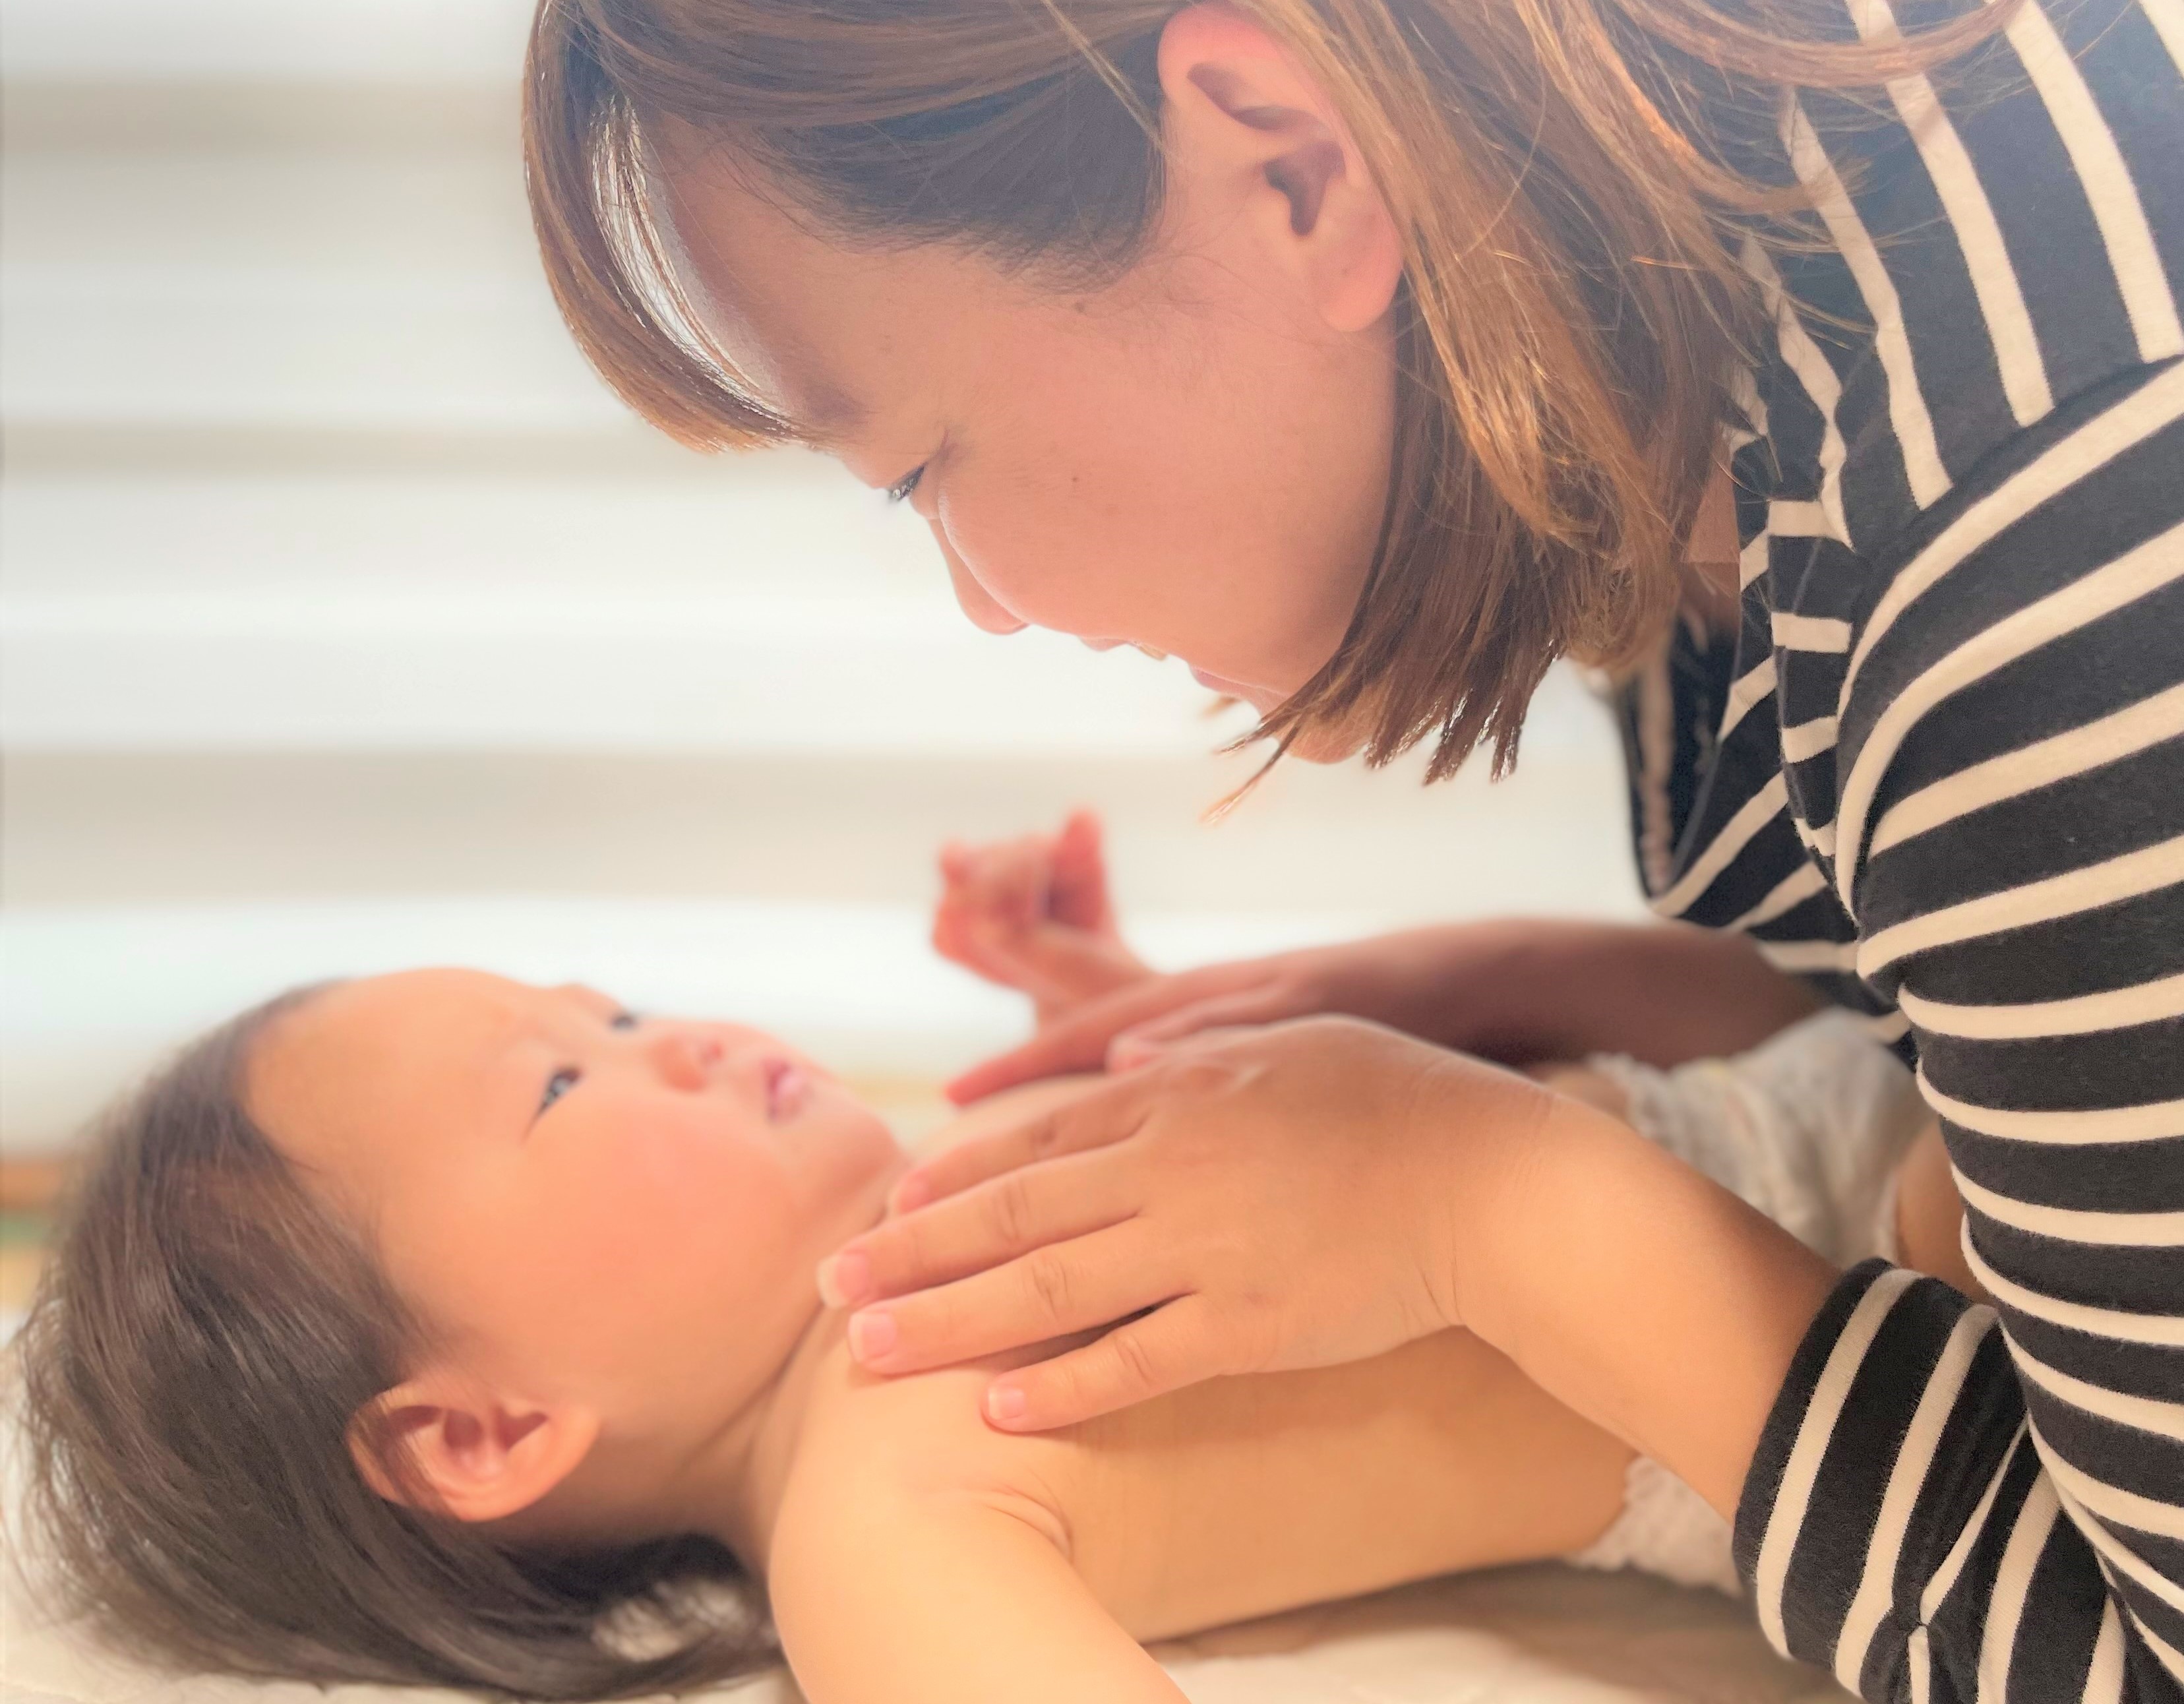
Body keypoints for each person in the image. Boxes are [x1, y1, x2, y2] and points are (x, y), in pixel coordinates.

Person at [523, 0, 2184, 1697]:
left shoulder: (2050, 566)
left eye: (922, 468)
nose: (985, 602)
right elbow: (1991, 977)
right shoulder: (1710, 322)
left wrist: (1477, 1193)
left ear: (1293, 172)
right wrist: (1514, 989)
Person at [20, 817, 1963, 1701]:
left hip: (1759, 1079)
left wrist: (1141, 1012)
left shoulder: (926, 1208)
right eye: (559, 1088)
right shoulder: (883, 1525)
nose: (672, 1035)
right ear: (488, 1432)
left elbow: (1310, 1168)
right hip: (1828, 1327)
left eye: (608, 1006)